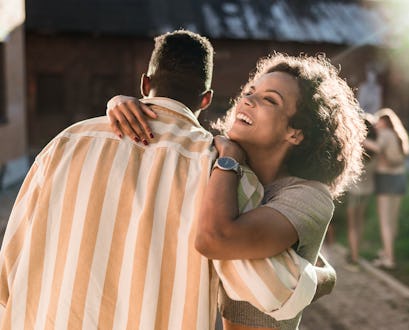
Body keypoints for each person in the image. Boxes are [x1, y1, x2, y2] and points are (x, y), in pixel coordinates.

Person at [112, 53, 367, 329]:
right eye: (250, 92)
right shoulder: (223, 168)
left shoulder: (309, 196)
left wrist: (230, 159)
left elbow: (215, 239)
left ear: (295, 133)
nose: (247, 100)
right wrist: (118, 104)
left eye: (270, 100)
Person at [0, 30, 218, 329]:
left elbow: (12, 256)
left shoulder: (68, 142)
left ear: (144, 83)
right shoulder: (216, 166)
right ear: (206, 99)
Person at [365, 108, 409, 269]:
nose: (376, 124)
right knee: (392, 219)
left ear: (385, 122)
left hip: (385, 179)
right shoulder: (398, 136)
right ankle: (387, 251)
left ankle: (389, 259)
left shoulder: (384, 134)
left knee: (385, 222)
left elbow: (377, 148)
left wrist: (360, 139)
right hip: (399, 178)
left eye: (379, 121)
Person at [345, 113, 378, 271]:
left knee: (353, 225)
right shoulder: (375, 149)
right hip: (368, 190)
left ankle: (354, 257)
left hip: (354, 192)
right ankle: (356, 253)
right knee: (360, 223)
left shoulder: (357, 147)